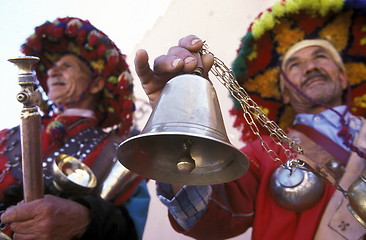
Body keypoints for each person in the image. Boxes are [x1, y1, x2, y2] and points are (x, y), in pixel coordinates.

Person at [134, 0, 366, 239]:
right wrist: (178, 120)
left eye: (321, 57)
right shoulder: (263, 152)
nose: (309, 68)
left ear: (343, 77)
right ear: (284, 93)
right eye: (295, 64)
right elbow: (206, 216)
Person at [0, 17, 149, 240]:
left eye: (66, 66)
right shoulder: (6, 136)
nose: (52, 72)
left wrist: (88, 219)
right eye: (51, 68)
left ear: (97, 83)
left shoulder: (121, 151)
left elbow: (130, 227)